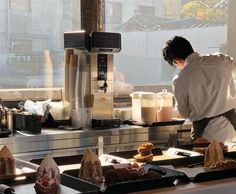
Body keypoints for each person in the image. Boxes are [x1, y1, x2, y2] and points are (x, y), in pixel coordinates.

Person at [162, 36, 236, 145]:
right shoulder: (221, 59)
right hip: (232, 129)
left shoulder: (180, 79)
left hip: (205, 135)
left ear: (176, 61)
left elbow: (184, 112)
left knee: (207, 161)